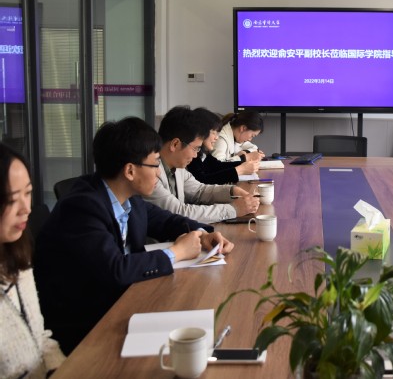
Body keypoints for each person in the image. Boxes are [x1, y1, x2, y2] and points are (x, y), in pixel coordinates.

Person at [34, 118, 234, 355]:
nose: (159, 172)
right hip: (88, 326)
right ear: (130, 170)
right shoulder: (82, 207)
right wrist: (177, 252)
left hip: (124, 302)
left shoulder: (129, 198)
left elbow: (166, 221)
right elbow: (115, 269)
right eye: (155, 164)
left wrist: (204, 234)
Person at [0, 144, 65, 378]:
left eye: (28, 193)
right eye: (11, 199)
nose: (26, 209)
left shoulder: (17, 257)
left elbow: (39, 339)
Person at [143, 106, 259, 223]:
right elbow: (179, 212)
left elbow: (199, 191)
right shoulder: (150, 173)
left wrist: (232, 191)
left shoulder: (177, 167)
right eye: (195, 148)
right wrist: (233, 210)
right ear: (175, 144)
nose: (195, 155)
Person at [187, 107, 259, 185]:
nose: (217, 137)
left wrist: (242, 165)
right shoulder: (193, 155)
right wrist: (240, 169)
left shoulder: (203, 152)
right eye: (214, 133)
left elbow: (217, 165)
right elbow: (202, 180)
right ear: (201, 132)